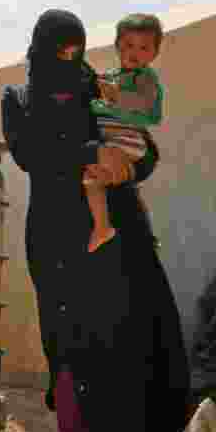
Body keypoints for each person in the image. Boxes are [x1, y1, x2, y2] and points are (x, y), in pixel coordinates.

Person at [1, 9, 190, 432]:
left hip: (109, 228)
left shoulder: (95, 85)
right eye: (61, 50)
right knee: (61, 337)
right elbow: (31, 153)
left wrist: (131, 165)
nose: (70, 58)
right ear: (41, 48)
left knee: (117, 331)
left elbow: (142, 143)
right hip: (51, 232)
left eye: (77, 49)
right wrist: (90, 154)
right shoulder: (19, 98)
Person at [85, 13, 165, 253]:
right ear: (117, 45)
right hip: (111, 138)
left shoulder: (145, 78)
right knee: (94, 179)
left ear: (154, 54)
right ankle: (104, 227)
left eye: (143, 48)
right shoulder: (110, 76)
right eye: (129, 45)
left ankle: (106, 227)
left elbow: (143, 102)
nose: (135, 52)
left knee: (98, 178)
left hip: (126, 138)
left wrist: (115, 93)